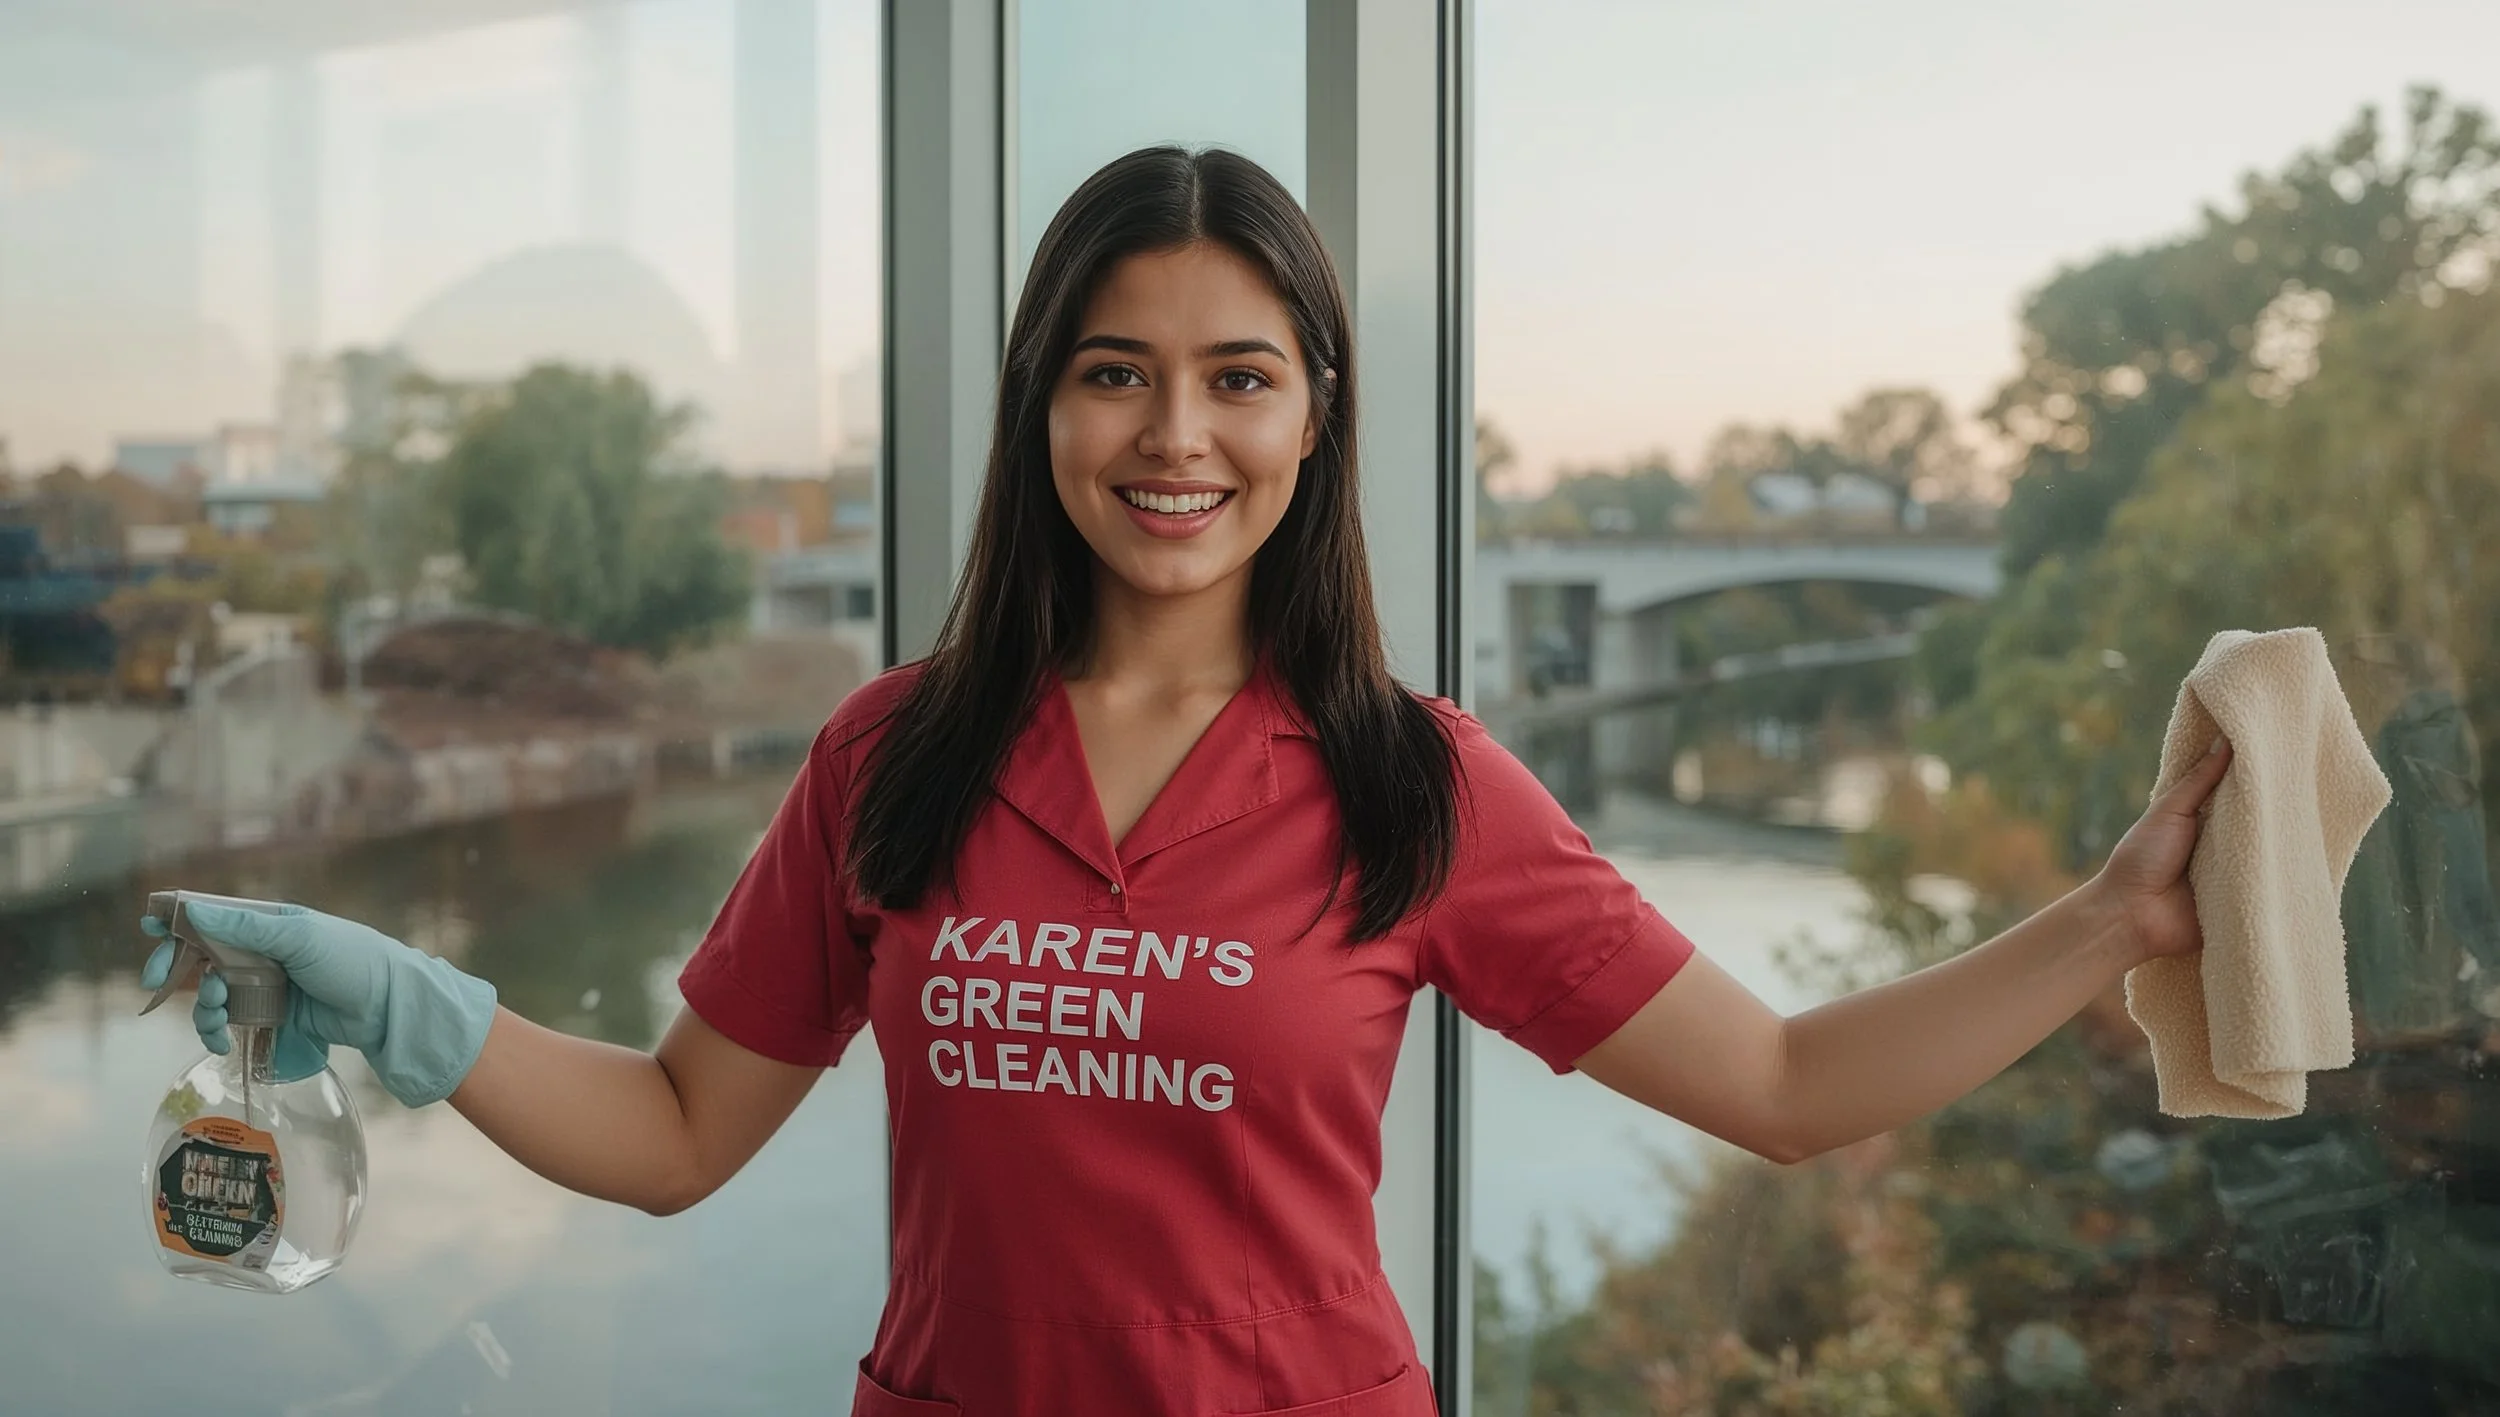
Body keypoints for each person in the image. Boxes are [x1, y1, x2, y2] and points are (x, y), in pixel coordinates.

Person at [142, 146, 2234, 1417]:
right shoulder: (892, 752)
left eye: (1239, 377)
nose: (1176, 436)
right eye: (1114, 370)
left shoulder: (1417, 786)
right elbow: (682, 1131)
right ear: (1042, 402)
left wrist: (2113, 917)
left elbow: (1777, 1094)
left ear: (1313, 417)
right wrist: (407, 1000)